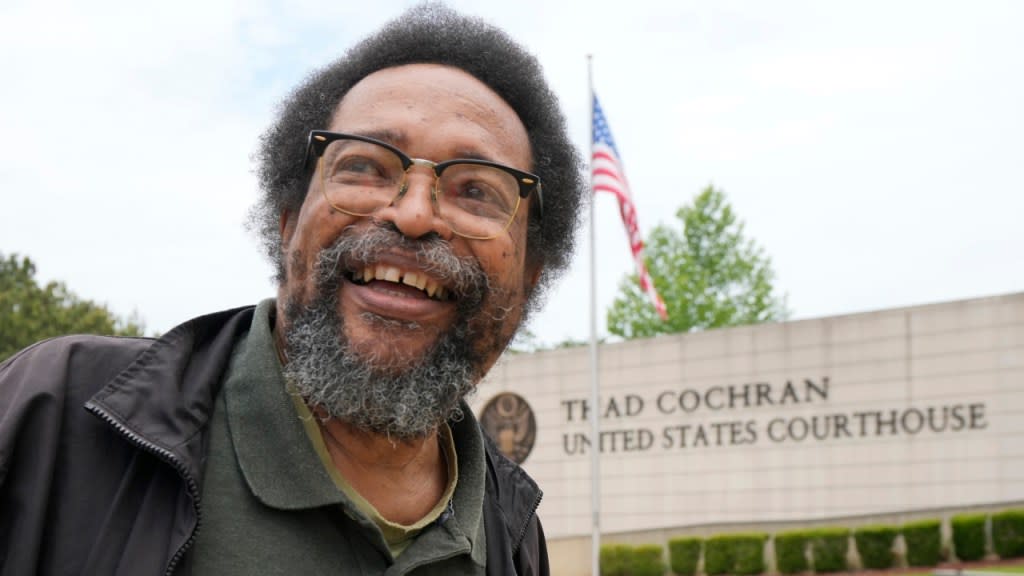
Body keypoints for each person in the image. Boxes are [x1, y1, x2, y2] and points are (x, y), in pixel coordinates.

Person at [0, 5, 585, 575]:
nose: (412, 215)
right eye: (365, 167)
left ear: (530, 276)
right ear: (287, 222)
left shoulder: (511, 529)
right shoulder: (55, 417)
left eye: (477, 190)